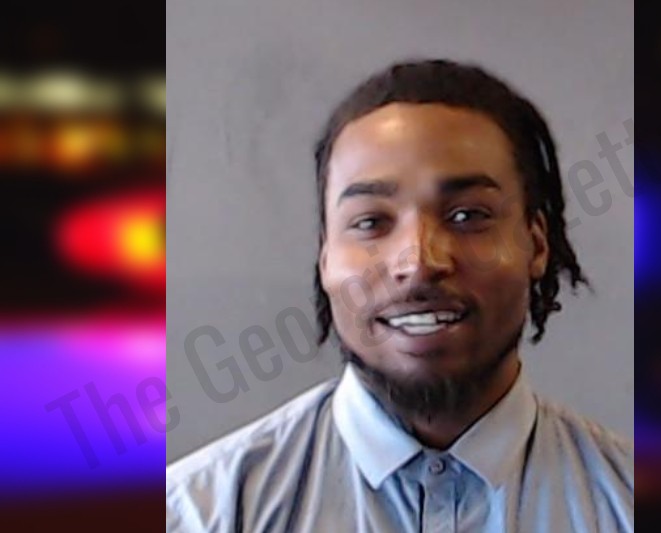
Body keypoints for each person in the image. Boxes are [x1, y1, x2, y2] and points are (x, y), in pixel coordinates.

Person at [166, 58, 633, 532]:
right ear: (325, 257)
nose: (419, 262)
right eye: (371, 222)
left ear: (537, 244)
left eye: (468, 216)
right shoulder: (197, 514)